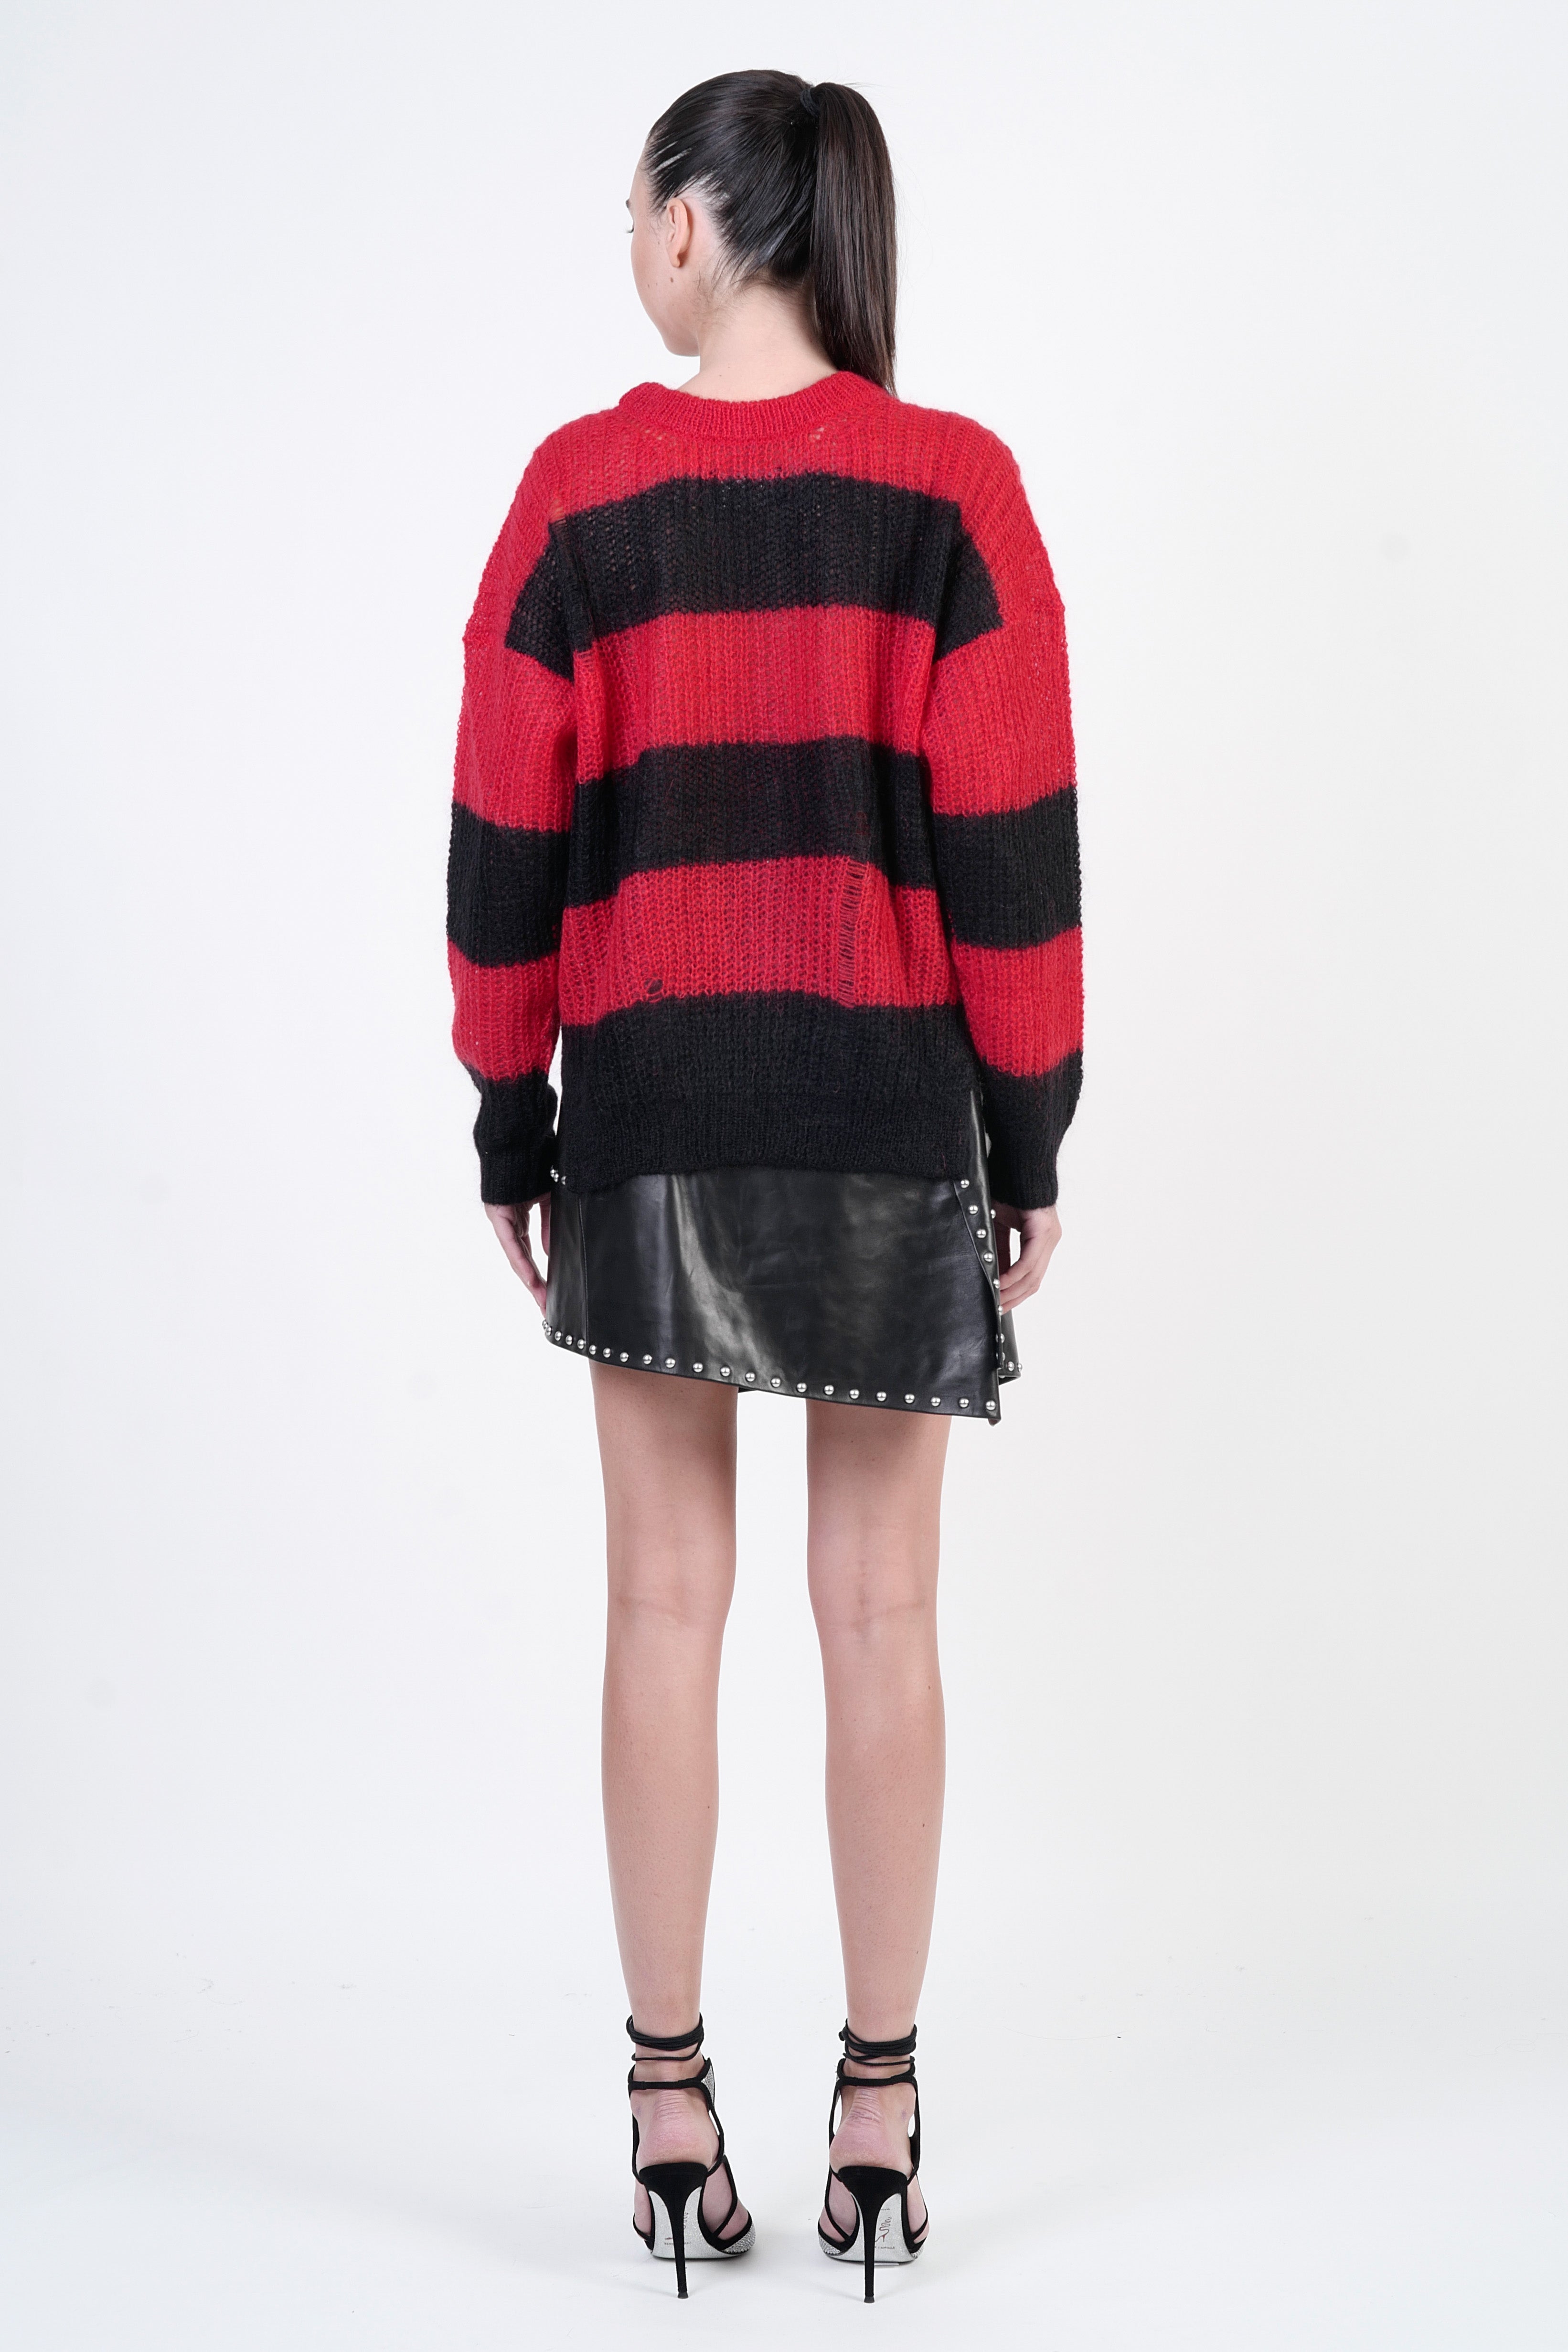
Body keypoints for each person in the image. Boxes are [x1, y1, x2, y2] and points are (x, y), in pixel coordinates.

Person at [446, 68, 1082, 2302]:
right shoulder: (950, 490)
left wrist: (508, 1109)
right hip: (884, 1106)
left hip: (647, 1104)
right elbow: (1009, 841)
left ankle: (662, 2097)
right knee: (881, 1612)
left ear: (693, 232)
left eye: (635, 210)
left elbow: (501, 827)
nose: (632, 244)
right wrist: (1028, 1129)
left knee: (659, 1603)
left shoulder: (577, 493)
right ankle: (880, 2109)